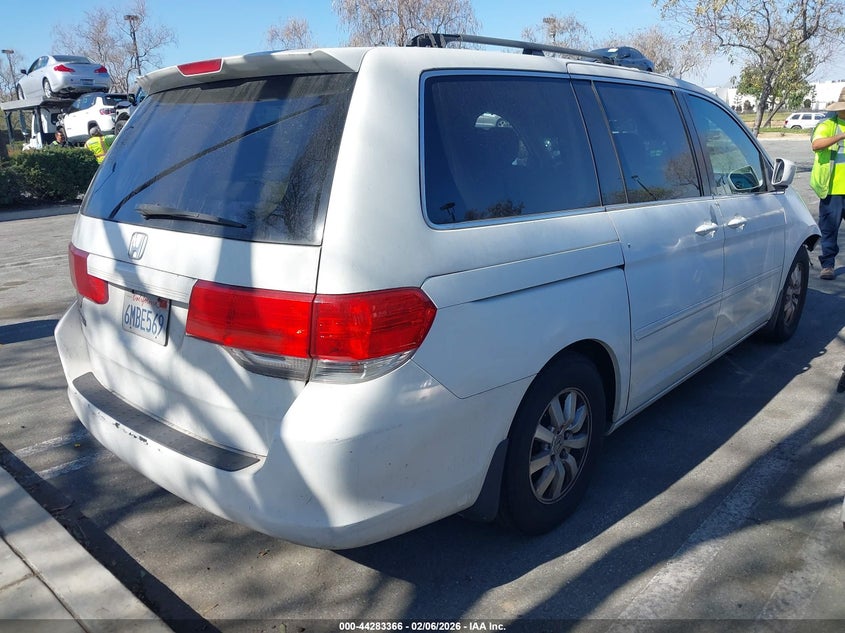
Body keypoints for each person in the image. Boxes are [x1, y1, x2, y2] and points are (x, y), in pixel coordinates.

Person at [811, 88, 845, 280]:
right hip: (832, 189)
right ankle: (828, 266)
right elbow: (816, 145)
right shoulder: (829, 125)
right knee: (829, 229)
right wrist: (841, 136)